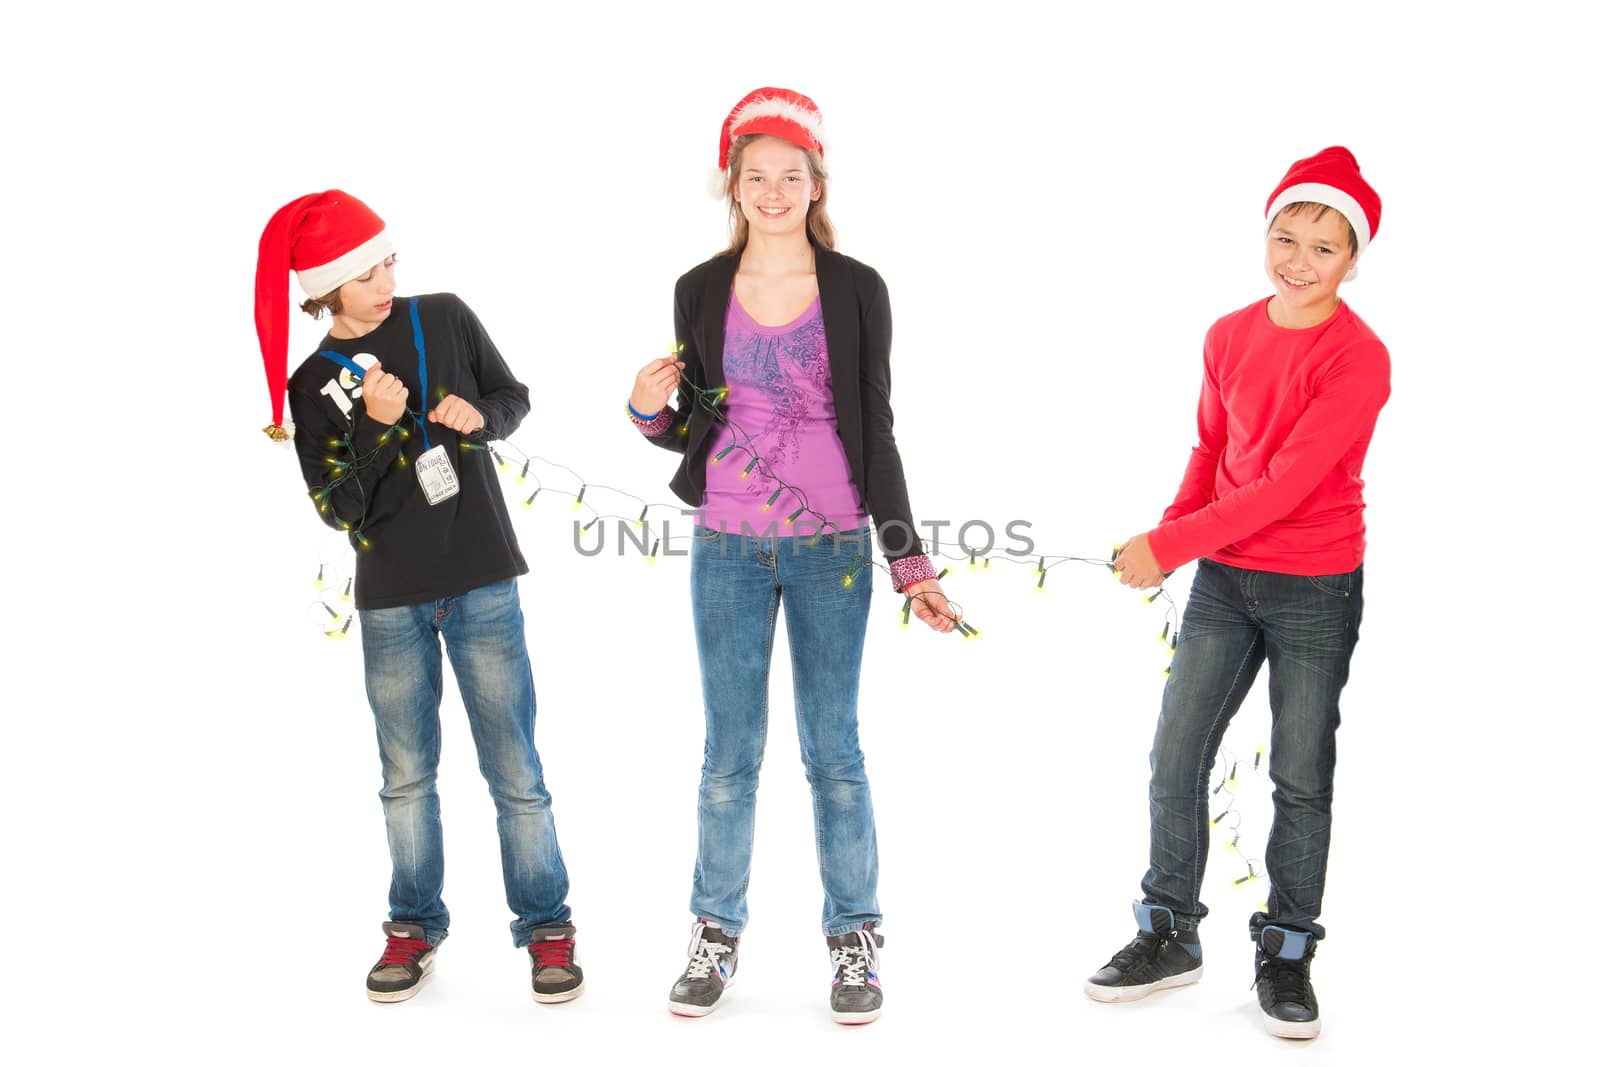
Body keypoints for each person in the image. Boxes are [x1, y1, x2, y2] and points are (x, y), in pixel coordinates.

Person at [627, 88, 955, 1025]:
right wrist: (649, 409)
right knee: (729, 755)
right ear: (731, 184)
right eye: (756, 175)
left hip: (835, 550)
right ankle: (715, 932)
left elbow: (876, 428)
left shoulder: (858, 287)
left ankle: (855, 938)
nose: (773, 191)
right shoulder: (699, 287)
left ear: (817, 184)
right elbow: (690, 427)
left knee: (833, 752)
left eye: (792, 175)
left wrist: (910, 562)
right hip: (727, 545)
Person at [1083, 147, 1389, 1040]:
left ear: (1352, 259)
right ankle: (1168, 933)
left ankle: (1288, 951)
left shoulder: (1359, 358)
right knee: (1176, 753)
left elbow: (1289, 486)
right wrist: (1171, 546)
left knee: (1300, 774)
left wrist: (1169, 541)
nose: (1299, 259)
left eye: (1324, 247)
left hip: (1315, 585)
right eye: (1285, 236)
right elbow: (1211, 453)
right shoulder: (1226, 333)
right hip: (1223, 577)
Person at [254, 191, 582, 1005]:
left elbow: (513, 397)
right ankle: (413, 924)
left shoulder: (444, 315)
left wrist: (482, 416)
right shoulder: (311, 384)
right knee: (406, 775)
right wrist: (371, 425)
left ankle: (547, 927)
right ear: (328, 288)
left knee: (517, 767)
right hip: (392, 597)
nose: (387, 280)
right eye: (368, 272)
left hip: (482, 578)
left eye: (389, 261)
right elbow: (337, 508)